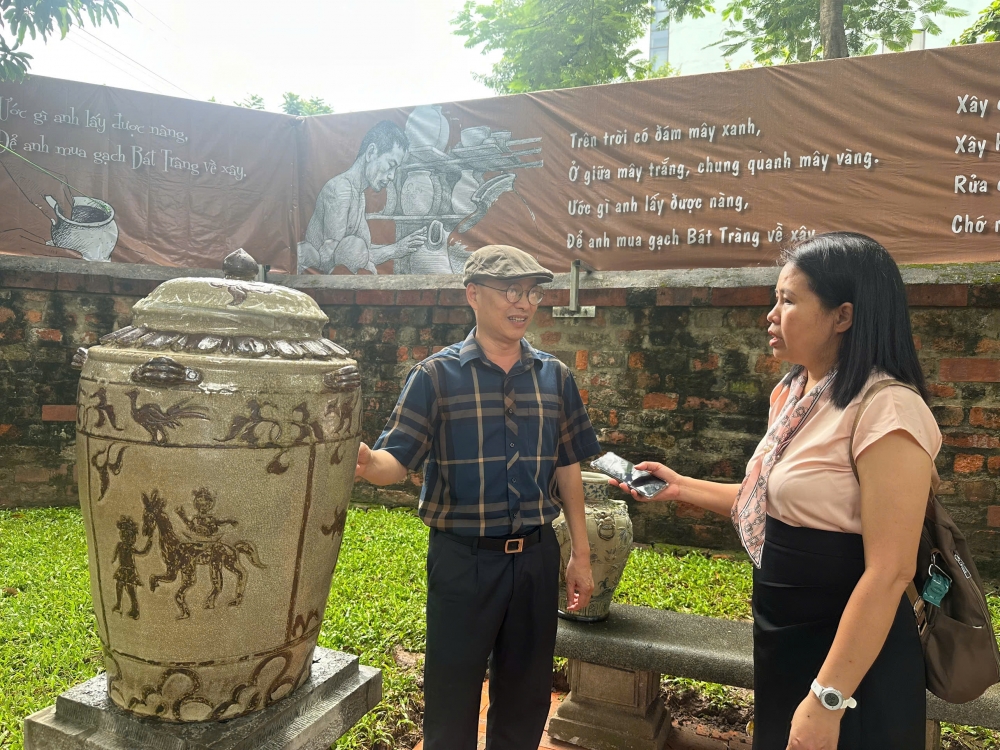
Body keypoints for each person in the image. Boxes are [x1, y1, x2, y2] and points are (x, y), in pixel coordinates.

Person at [612, 233, 939, 750]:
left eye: (787, 300)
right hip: (783, 633)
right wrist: (681, 488)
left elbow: (890, 571)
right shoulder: (793, 393)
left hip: (850, 655)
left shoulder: (888, 410)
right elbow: (771, 501)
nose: (770, 314)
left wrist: (827, 699)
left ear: (843, 316)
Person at [355, 244, 599, 750]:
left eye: (531, 292)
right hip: (463, 561)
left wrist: (580, 552)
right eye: (510, 290)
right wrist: (363, 462)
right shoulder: (435, 376)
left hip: (535, 558)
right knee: (452, 693)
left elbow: (568, 465)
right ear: (473, 294)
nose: (523, 303)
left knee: (527, 695)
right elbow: (395, 460)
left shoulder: (554, 377)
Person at [298, 119, 426, 274]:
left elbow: (361, 254)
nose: (392, 176)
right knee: (354, 245)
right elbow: (332, 258)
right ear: (371, 153)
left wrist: (397, 248)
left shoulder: (358, 195)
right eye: (391, 165)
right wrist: (395, 249)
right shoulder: (340, 190)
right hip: (317, 281)